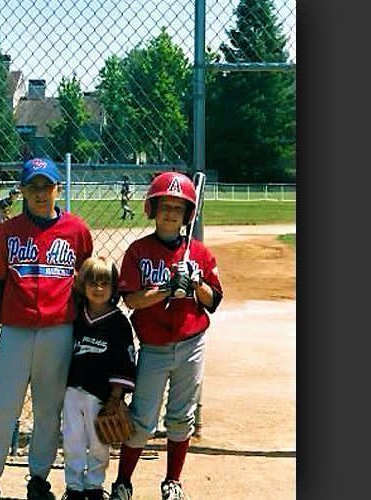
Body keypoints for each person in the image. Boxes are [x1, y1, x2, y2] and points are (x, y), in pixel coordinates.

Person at [0, 157, 94, 500]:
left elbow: (86, 284)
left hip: (59, 330)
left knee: (48, 410)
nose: (40, 193)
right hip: (16, 330)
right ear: (21, 190)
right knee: (2, 406)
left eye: (46, 186)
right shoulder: (7, 231)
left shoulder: (77, 230)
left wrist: (84, 328)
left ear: (58, 189)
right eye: (32, 186)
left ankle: (39, 480)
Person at [109, 172, 224, 500]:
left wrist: (196, 283)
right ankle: (123, 483)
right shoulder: (138, 251)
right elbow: (130, 300)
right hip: (154, 347)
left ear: (188, 214)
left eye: (178, 207)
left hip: (191, 344)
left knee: (181, 416)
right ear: (152, 209)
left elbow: (213, 301)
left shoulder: (198, 253)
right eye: (165, 206)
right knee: (142, 419)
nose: (171, 213)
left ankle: (172, 482)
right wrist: (167, 289)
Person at [60, 257, 137, 500]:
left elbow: (124, 361)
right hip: (72, 390)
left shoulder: (118, 323)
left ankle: (94, 486)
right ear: (83, 285)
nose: (99, 288)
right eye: (93, 283)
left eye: (105, 283)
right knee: (72, 441)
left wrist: (116, 396)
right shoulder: (75, 316)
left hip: (101, 395)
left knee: (99, 443)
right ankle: (73, 487)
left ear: (114, 288)